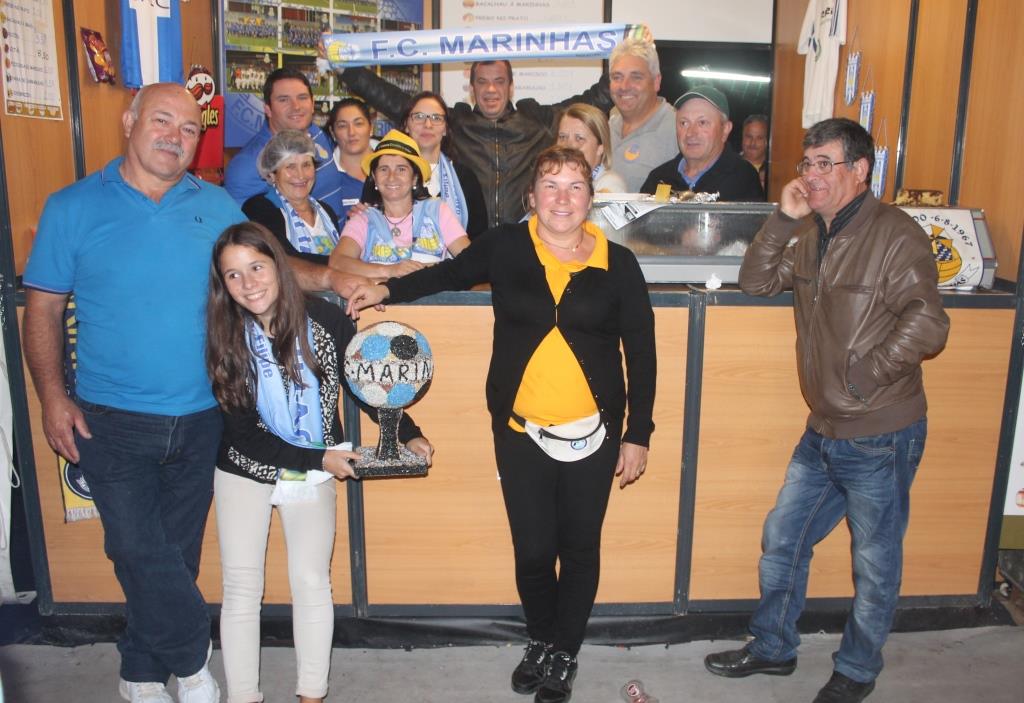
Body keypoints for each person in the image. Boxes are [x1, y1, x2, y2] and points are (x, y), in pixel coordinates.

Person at [345, 146, 656, 703]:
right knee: (533, 551)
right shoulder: (507, 245)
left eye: (575, 186)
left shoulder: (619, 263)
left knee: (579, 548)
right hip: (519, 430)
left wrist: (638, 434)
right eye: (550, 185)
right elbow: (449, 271)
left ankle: (564, 653)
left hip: (596, 432)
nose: (562, 198)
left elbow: (642, 351)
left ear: (591, 198)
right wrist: (385, 289)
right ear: (531, 196)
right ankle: (540, 640)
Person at [704, 118, 949, 703]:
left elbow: (928, 322)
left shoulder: (895, 234)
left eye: (824, 164)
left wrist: (863, 376)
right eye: (806, 164)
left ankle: (857, 670)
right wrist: (783, 219)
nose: (811, 175)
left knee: (874, 563)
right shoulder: (814, 234)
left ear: (859, 170)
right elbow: (755, 281)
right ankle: (773, 647)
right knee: (783, 537)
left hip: (880, 431)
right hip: (824, 428)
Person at [21, 83, 247, 703]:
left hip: (202, 415)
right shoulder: (72, 207)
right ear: (129, 122)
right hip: (109, 419)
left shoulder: (217, 204)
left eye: (190, 128)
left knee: (176, 553)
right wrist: (51, 397)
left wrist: (344, 274)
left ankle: (141, 673)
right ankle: (193, 658)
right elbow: (42, 312)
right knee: (133, 547)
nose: (175, 136)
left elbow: (267, 267)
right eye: (162, 121)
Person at [206, 222, 431, 703]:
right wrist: (322, 458)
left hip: (313, 468)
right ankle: (242, 697)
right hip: (246, 467)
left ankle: (312, 696)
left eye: (257, 267)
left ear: (278, 266)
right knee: (241, 588)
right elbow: (245, 436)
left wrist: (408, 432)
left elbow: (363, 384)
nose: (248, 283)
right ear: (222, 284)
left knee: (311, 582)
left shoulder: (326, 319)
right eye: (233, 275)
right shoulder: (223, 334)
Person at [337, 60, 613, 227]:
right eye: (482, 82)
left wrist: (624, 59)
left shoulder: (537, 122)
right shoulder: (457, 123)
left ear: (511, 87)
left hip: (523, 240)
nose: (491, 90)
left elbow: (592, 101)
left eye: (499, 81)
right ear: (472, 89)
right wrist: (346, 69)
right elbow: (398, 103)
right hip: (474, 242)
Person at [332, 130, 469, 275]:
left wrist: (425, 272)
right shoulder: (364, 218)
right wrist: (390, 270)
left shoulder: (437, 211)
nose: (392, 177)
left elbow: (470, 262)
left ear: (415, 178)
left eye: (401, 169)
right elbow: (337, 263)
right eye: (384, 169)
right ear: (374, 177)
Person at [224, 68, 337, 205]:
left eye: (302, 97)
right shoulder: (247, 166)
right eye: (283, 100)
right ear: (268, 109)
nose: (296, 106)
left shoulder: (316, 132)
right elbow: (242, 218)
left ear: (313, 104)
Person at [640, 85, 765, 201]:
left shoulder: (743, 179)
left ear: (725, 130)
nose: (691, 133)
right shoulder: (659, 178)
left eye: (702, 123)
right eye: (684, 123)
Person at [393, 90, 488, 238]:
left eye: (436, 118)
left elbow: (479, 239)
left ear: (445, 129)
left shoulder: (465, 178)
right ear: (406, 125)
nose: (428, 124)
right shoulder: (387, 173)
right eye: (419, 117)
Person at [242, 129, 340, 266]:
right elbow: (284, 259)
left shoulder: (326, 211)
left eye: (306, 165)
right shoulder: (259, 208)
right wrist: (344, 264)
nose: (301, 175)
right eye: (290, 167)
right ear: (272, 174)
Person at [607, 38, 678, 191]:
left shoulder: (678, 129)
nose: (624, 86)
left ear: (656, 82)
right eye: (617, 77)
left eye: (636, 77)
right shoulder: (606, 129)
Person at [318, 98, 375, 222]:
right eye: (342, 126)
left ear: (371, 128)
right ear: (333, 133)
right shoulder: (321, 177)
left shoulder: (393, 167)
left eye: (358, 123)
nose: (351, 132)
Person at [557, 103, 628, 193]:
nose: (568, 146)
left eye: (579, 138)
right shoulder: (552, 180)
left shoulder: (609, 184)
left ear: (600, 148)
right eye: (562, 137)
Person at [741, 114, 769, 192]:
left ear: (767, 141)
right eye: (749, 137)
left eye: (759, 138)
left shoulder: (775, 171)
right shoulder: (728, 167)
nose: (753, 143)